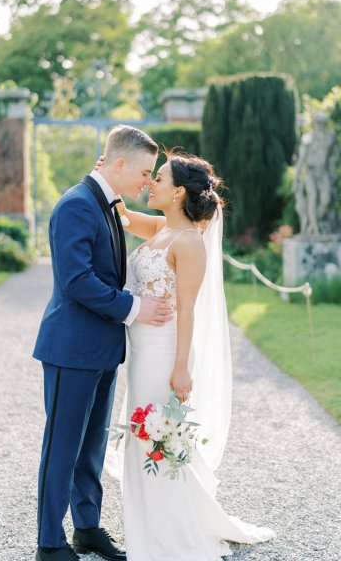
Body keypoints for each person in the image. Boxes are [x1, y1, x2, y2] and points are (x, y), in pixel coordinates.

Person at [106, 152, 276, 560]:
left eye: (158, 177)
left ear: (179, 191)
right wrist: (108, 172)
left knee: (156, 438)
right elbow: (122, 214)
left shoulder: (190, 243)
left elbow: (188, 310)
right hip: (143, 351)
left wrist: (181, 368)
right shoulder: (163, 228)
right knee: (143, 438)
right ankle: (148, 525)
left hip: (166, 355)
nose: (151, 183)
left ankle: (170, 534)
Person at [32, 125, 174, 561]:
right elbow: (77, 281)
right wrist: (135, 308)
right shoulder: (75, 205)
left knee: (91, 446)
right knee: (63, 445)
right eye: (145, 171)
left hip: (103, 350)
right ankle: (49, 543)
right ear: (118, 164)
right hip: (71, 349)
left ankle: (87, 528)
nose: (148, 182)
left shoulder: (111, 206)